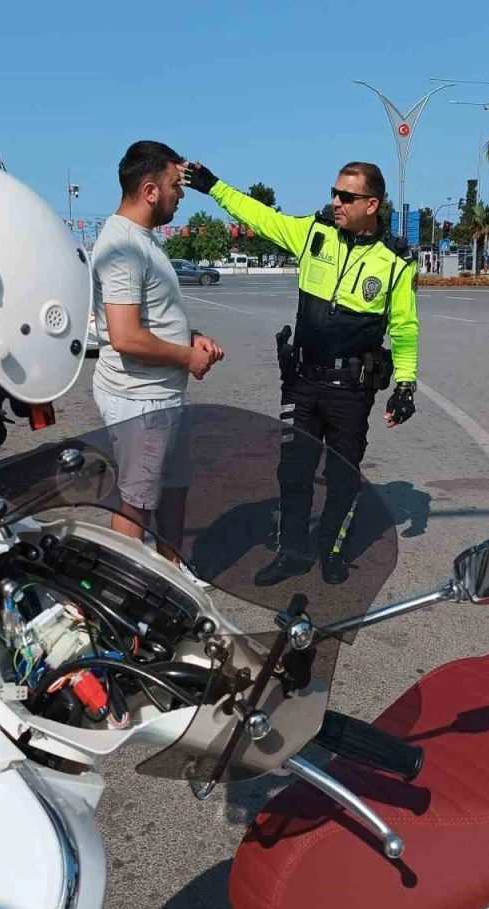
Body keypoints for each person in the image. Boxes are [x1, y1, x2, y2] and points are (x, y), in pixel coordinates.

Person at [185, 159, 419, 585]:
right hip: (303, 381)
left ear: (372, 204)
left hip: (351, 389)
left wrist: (405, 384)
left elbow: (404, 327)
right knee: (293, 471)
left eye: (346, 196)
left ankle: (331, 549)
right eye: (334, 193)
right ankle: (292, 551)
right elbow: (261, 216)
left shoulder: (396, 261)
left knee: (342, 475)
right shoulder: (314, 232)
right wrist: (213, 186)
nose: (336, 202)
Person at [91, 141, 224, 564]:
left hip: (162, 395)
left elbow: (153, 316)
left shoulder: (143, 240)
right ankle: (126, 585)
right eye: (174, 185)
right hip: (140, 399)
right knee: (137, 500)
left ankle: (171, 569)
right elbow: (126, 336)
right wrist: (187, 357)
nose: (180, 194)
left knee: (173, 488)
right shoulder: (123, 247)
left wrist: (191, 336)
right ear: (150, 191)